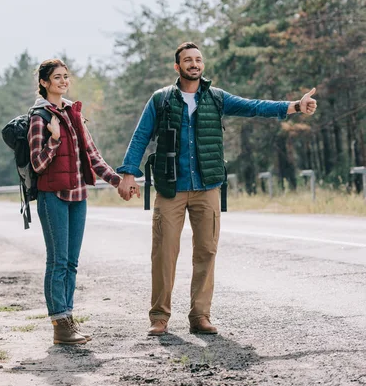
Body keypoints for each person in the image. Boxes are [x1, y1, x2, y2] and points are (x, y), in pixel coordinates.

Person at [117, 42, 317, 336]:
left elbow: (254, 107)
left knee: (207, 252)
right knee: (163, 253)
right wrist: (128, 174)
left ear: (203, 65)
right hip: (171, 188)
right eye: (188, 60)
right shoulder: (160, 99)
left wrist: (295, 106)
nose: (194, 64)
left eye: (198, 59)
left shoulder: (216, 98)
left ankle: (200, 316)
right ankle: (159, 317)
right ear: (178, 67)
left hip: (207, 187)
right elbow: (140, 137)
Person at [28, 59, 121, 345]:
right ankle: (60, 324)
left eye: (65, 76)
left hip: (78, 195)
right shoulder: (39, 116)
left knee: (71, 262)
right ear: (44, 82)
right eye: (57, 77)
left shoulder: (73, 112)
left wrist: (117, 181)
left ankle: (68, 317)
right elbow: (37, 163)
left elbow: (91, 155)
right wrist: (54, 139)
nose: (63, 81)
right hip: (52, 196)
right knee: (57, 261)